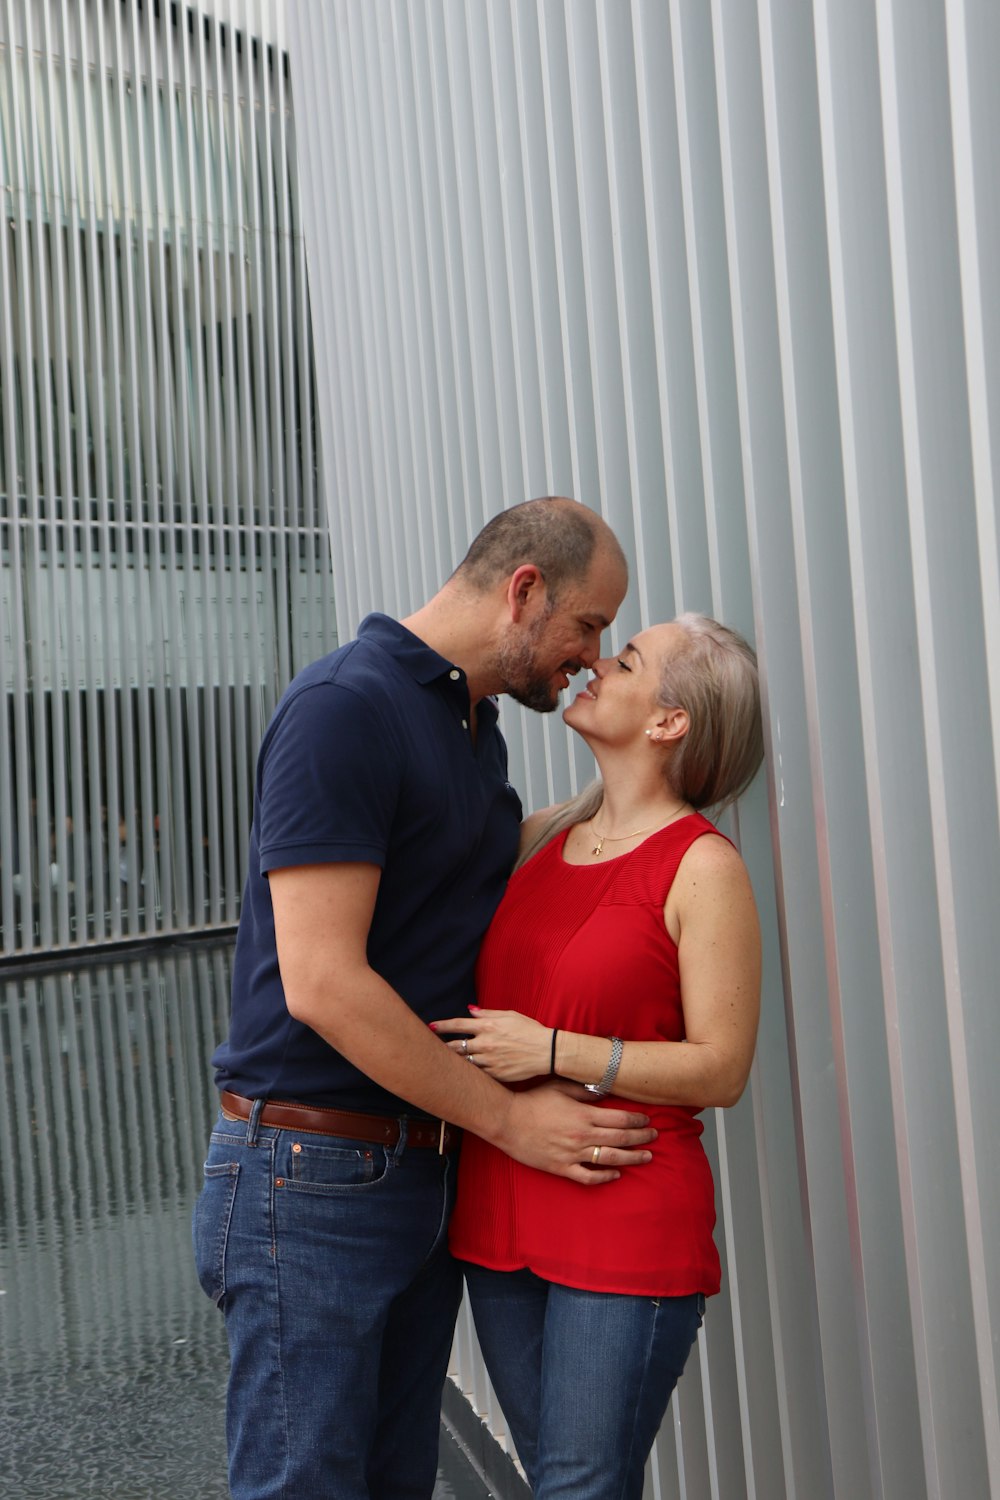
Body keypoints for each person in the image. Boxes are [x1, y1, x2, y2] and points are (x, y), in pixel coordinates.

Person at [192, 497, 659, 1500]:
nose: (590, 655)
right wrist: (507, 1120)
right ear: (524, 592)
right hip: (307, 1178)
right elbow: (322, 983)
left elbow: (474, 878)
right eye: (586, 624)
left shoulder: (469, 727)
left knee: (394, 1481)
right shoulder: (345, 708)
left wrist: (646, 791)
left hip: (411, 1173)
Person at [434, 612, 765, 1500]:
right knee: (564, 1483)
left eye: (624, 663)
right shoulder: (537, 838)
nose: (592, 669)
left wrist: (551, 1049)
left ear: (670, 721)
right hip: (500, 1206)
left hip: (624, 1211)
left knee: (578, 1486)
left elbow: (722, 1068)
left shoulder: (702, 867)